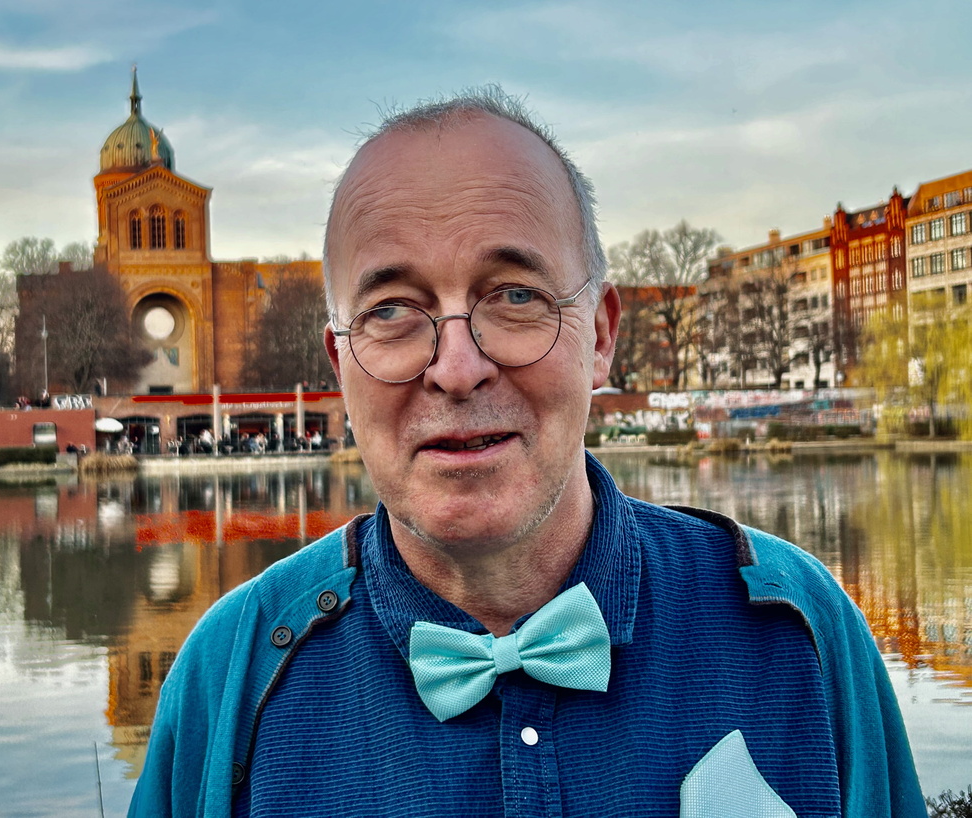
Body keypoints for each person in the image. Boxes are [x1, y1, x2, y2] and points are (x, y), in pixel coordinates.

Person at [130, 89, 926, 817]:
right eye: (392, 311)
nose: (457, 367)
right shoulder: (231, 676)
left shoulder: (798, 632)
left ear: (602, 336)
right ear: (340, 367)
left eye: (514, 297)